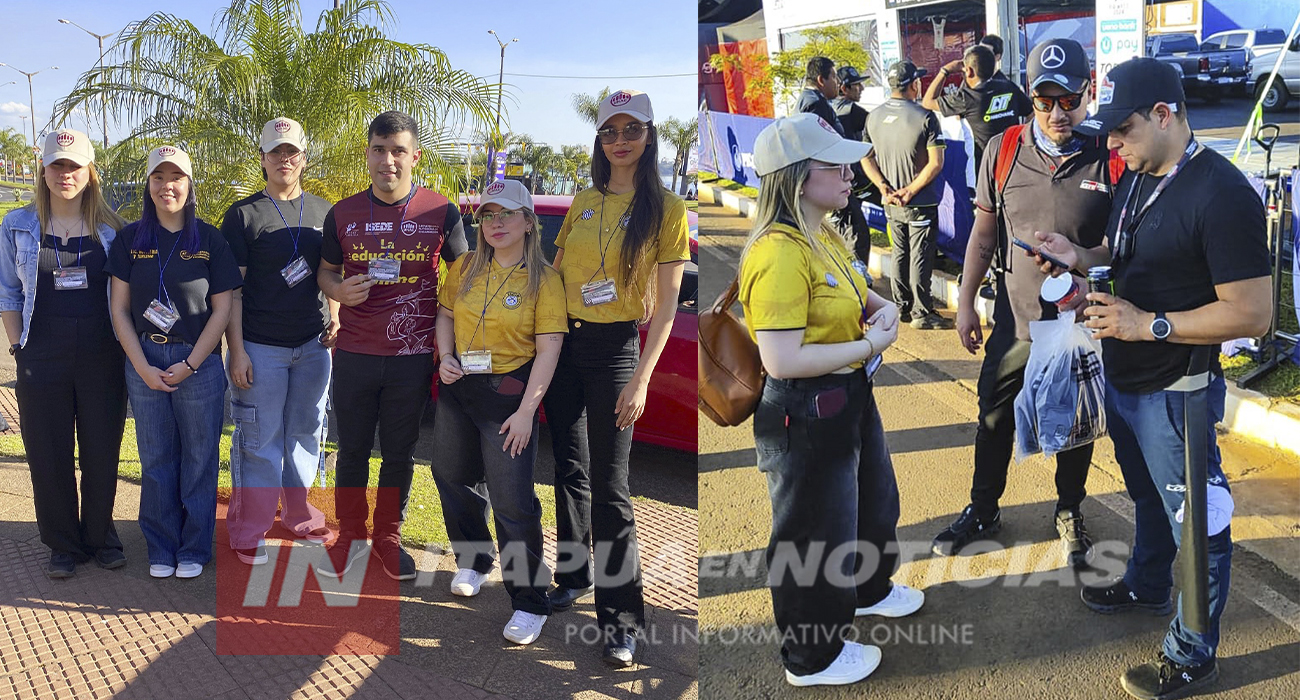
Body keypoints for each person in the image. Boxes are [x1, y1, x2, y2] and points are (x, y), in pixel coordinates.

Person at [1036, 57, 1270, 699]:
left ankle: (1194, 652)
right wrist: (1078, 256)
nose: (1113, 142)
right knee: (1145, 497)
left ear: (1165, 115)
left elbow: (1253, 313)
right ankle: (1146, 583)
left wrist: (1147, 325)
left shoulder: (1222, 194)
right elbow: (1123, 253)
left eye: (1124, 129)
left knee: (1198, 522)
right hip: (1128, 380)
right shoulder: (1139, 174)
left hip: (1178, 392)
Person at [740, 113, 917, 688]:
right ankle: (811, 656)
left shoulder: (822, 233)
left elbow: (857, 291)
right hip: (806, 408)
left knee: (871, 504)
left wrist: (881, 308)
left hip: (847, 394)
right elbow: (781, 359)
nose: (849, 174)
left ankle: (869, 588)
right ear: (796, 178)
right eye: (835, 165)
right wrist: (869, 344)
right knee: (812, 534)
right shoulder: (779, 252)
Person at [934, 38, 1122, 568]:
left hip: (1080, 322)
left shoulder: (1108, 153)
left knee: (1075, 421)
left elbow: (1120, 245)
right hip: (1016, 320)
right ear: (1029, 96)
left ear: (1088, 92)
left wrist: (1080, 257)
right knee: (994, 417)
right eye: (1045, 100)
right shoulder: (1004, 148)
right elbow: (982, 233)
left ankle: (1069, 509)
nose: (1058, 113)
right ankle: (983, 509)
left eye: (1070, 100)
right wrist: (965, 302)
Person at [544, 89, 689, 667]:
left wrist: (642, 379)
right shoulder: (582, 201)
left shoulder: (667, 209)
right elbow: (554, 277)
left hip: (615, 351)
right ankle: (572, 575)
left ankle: (621, 621)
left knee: (610, 486)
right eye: (610, 131)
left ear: (649, 136)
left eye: (632, 129)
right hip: (566, 345)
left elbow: (669, 304)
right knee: (568, 469)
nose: (620, 140)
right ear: (599, 140)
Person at [316, 111, 468, 581]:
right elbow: (326, 272)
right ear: (367, 155)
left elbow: (465, 279)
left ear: (415, 156)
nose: (388, 161)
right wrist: (338, 292)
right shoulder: (342, 213)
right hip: (355, 353)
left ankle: (388, 536)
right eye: (379, 150)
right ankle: (350, 535)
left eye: (398, 151)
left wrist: (451, 342)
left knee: (399, 453)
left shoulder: (441, 212)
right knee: (353, 450)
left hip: (412, 357)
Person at [431, 179, 567, 646]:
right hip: (459, 386)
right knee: (451, 474)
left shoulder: (545, 280)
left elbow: (549, 349)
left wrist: (528, 412)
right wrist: (445, 356)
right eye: (488, 215)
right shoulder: (466, 265)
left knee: (512, 500)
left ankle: (530, 602)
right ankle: (474, 559)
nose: (496, 223)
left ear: (529, 222)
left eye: (507, 213)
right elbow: (445, 314)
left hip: (509, 395)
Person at [106, 145, 242, 579]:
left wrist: (191, 364)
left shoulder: (210, 240)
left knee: (200, 458)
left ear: (189, 184)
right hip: (144, 358)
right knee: (156, 457)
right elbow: (118, 310)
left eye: (177, 177)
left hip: (197, 362)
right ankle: (161, 546)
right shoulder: (131, 240)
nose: (168, 186)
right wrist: (142, 367)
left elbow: (222, 309)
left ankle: (195, 547)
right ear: (148, 185)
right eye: (159, 177)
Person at [0, 129, 127, 578]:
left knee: (101, 450)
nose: (65, 174)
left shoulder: (114, 230)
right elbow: (9, 293)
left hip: (102, 355)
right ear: (43, 170)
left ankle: (100, 535)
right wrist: (18, 347)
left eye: (74, 165)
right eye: (56, 165)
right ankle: (62, 543)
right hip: (41, 354)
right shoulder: (17, 224)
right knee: (48, 452)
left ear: (90, 172)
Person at [221, 117, 337, 566]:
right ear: (263, 159)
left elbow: (331, 272)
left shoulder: (325, 212)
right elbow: (232, 292)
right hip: (261, 348)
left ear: (304, 158)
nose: (283, 159)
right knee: (259, 440)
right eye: (275, 152)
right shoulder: (243, 215)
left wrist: (336, 317)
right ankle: (249, 529)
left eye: (291, 151)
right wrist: (237, 350)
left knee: (306, 434)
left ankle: (299, 516)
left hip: (313, 346)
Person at [863, 61, 951, 330]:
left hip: (890, 200)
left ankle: (902, 306)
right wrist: (911, 190)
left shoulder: (873, 116)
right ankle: (921, 313)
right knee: (919, 255)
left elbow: (866, 157)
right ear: (914, 84)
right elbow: (936, 163)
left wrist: (883, 187)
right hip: (920, 200)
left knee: (900, 252)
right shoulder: (925, 117)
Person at [921, 44, 1031, 169]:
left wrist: (944, 71)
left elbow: (927, 102)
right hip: (1014, 160)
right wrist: (1023, 138)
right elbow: (1031, 112)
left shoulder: (967, 97)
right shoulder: (1009, 87)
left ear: (968, 71)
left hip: (985, 166)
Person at [832, 65, 878, 263]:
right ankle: (856, 277)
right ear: (844, 88)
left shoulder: (828, 107)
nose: (862, 89)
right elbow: (879, 129)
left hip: (841, 179)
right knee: (858, 235)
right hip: (851, 180)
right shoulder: (852, 110)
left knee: (844, 232)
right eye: (857, 85)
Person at [796, 57, 844, 135]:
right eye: (834, 77)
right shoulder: (817, 104)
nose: (839, 81)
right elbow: (824, 139)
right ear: (821, 80)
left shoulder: (806, 97)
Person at [979, 34, 1032, 103]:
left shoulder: (1007, 86)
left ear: (997, 57)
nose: (980, 56)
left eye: (986, 53)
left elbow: (1027, 107)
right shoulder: (971, 81)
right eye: (978, 51)